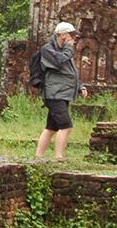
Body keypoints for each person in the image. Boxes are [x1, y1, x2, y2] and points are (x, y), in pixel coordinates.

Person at [35, 21, 88, 159]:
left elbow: (71, 72)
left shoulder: (65, 52)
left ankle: (38, 156)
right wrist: (68, 50)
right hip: (54, 94)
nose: (74, 40)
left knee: (51, 128)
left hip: (63, 93)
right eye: (72, 37)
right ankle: (59, 157)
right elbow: (58, 62)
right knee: (66, 125)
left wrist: (80, 86)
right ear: (64, 36)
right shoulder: (48, 50)